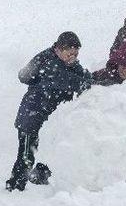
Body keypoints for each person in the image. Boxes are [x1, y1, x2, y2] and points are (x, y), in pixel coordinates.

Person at [6, 32, 93, 192]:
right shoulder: (48, 62)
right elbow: (68, 81)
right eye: (69, 53)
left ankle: (39, 178)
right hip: (31, 116)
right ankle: (15, 186)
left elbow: (83, 76)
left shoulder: (69, 63)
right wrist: (87, 84)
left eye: (76, 53)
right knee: (27, 154)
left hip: (49, 118)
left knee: (48, 149)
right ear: (59, 49)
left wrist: (96, 80)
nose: (72, 57)